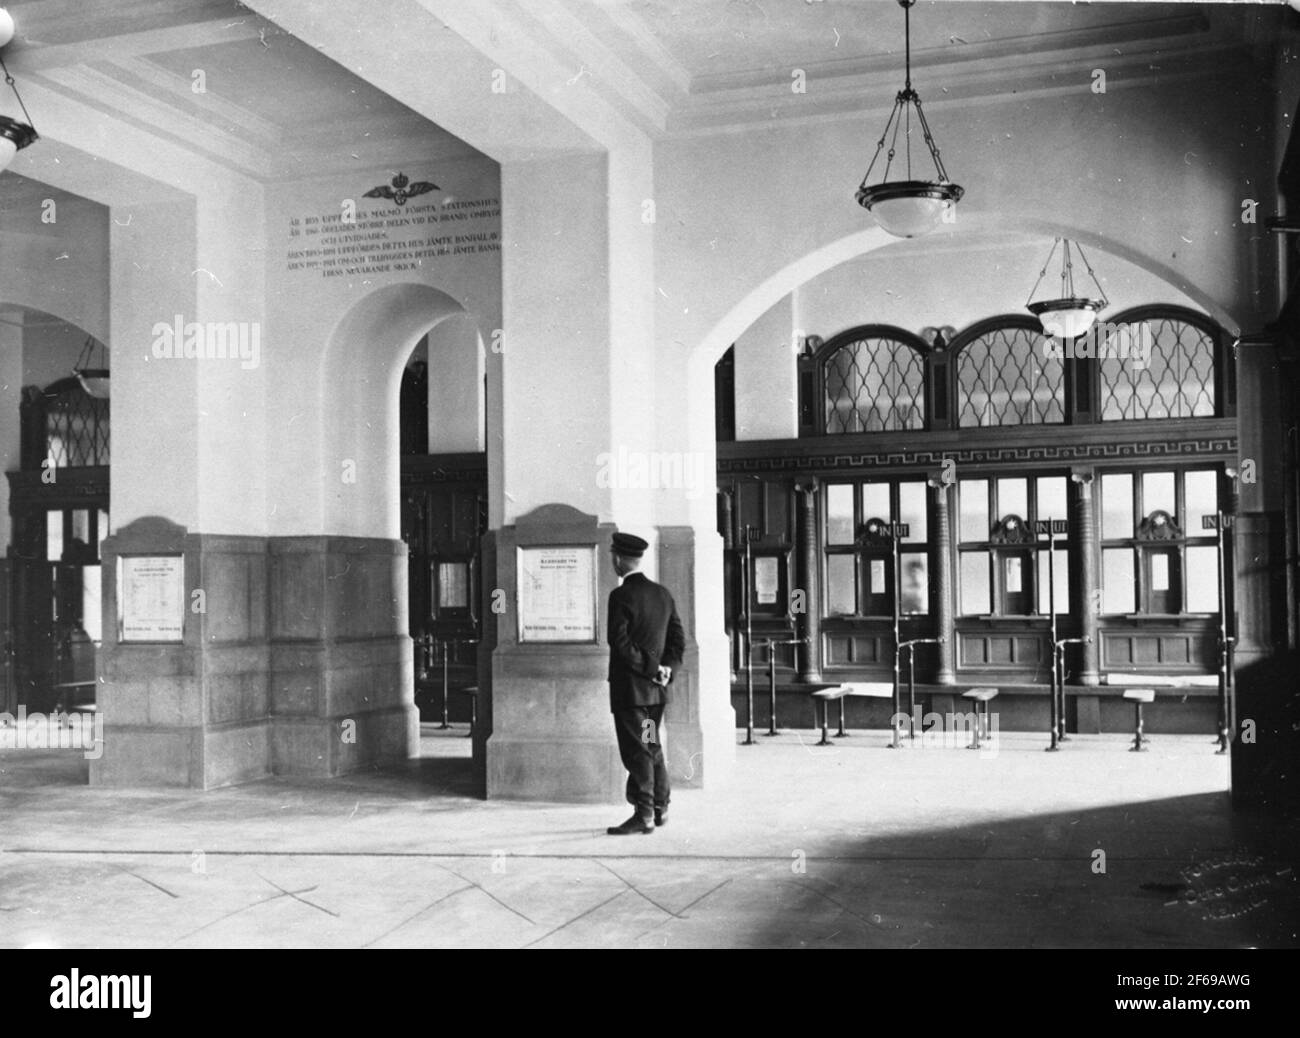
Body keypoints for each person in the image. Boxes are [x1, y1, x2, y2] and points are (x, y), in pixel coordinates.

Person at [605, 531, 685, 836]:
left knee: (637, 751)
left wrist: (651, 669)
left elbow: (620, 643)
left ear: (617, 559)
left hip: (631, 693)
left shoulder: (621, 596)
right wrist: (667, 669)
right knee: (651, 744)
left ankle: (644, 813)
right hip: (656, 696)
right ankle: (661, 807)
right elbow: (678, 640)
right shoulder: (663, 594)